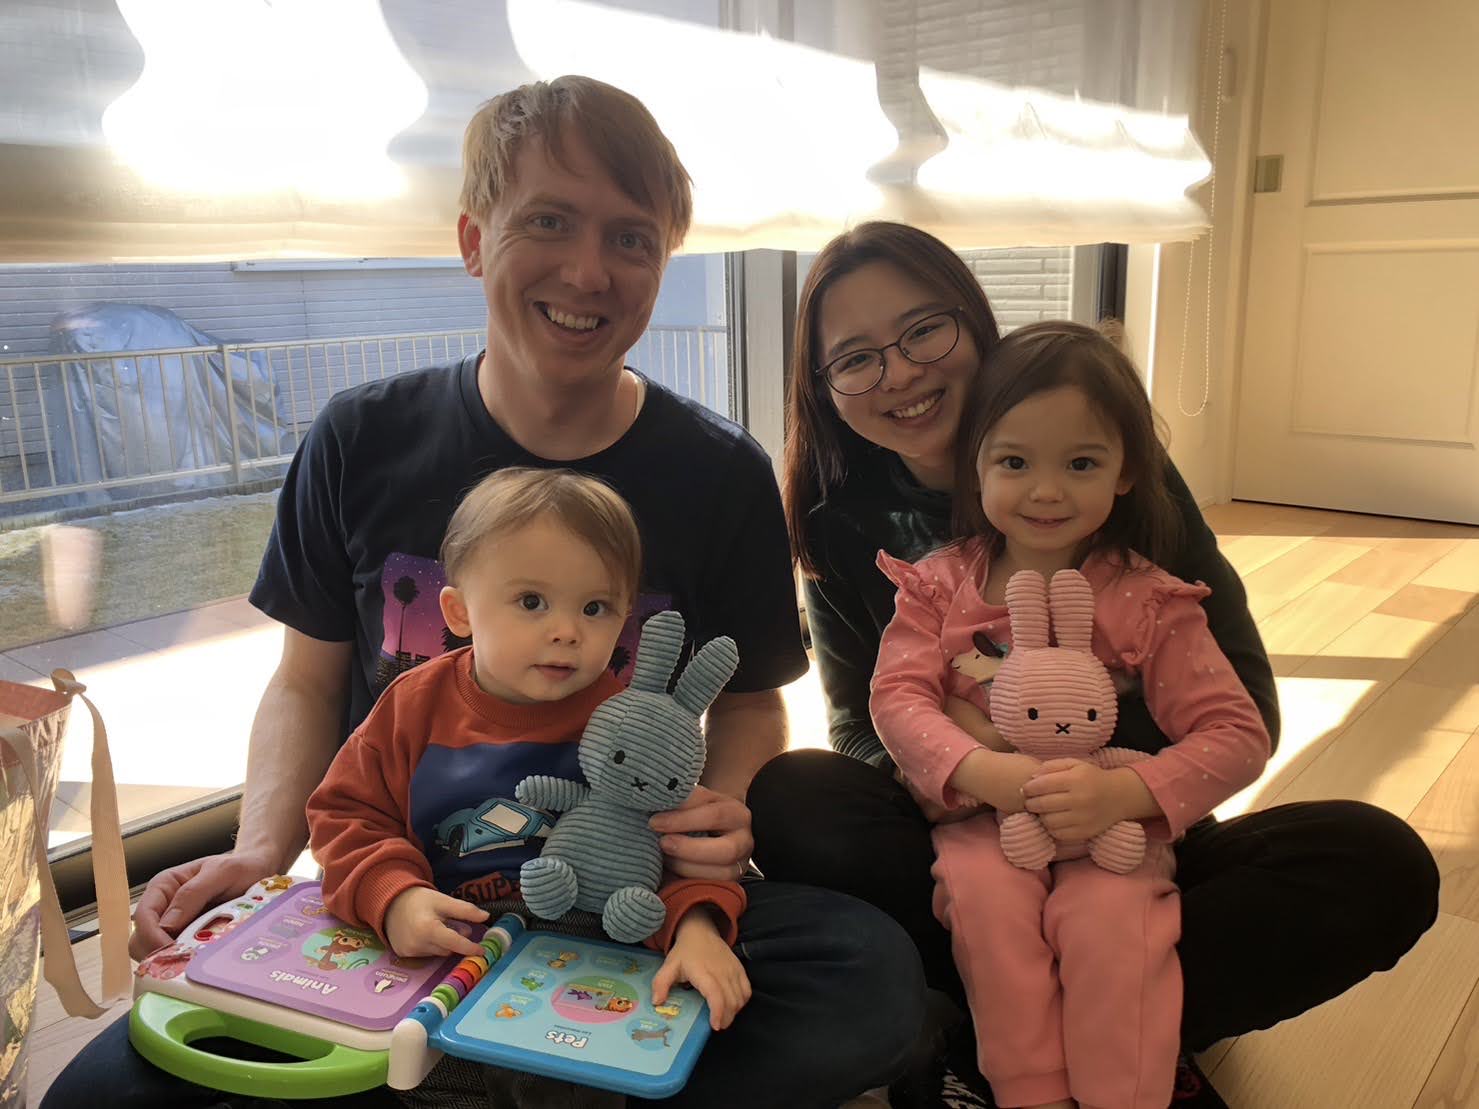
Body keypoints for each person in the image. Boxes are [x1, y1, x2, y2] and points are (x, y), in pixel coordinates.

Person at [41, 80, 923, 1109]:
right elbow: (306, 681)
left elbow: (747, 701)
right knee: (100, 1096)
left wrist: (706, 838)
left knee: (868, 980)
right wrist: (259, 851)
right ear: (473, 238)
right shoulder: (360, 436)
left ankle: (470, 1070)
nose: (588, 272)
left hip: (620, 904)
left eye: (631, 239)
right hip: (408, 903)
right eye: (548, 221)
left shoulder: (719, 471)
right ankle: (537, 1071)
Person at [747, 221, 1439, 1108]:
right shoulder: (845, 523)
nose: (900, 373)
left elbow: (1239, 710)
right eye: (855, 357)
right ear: (822, 386)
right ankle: (1035, 1033)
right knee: (795, 797)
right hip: (966, 833)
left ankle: (1085, 1037)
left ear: (975, 323)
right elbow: (859, 721)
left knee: (1375, 861)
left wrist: (1100, 785)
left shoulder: (1112, 482)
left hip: (1126, 832)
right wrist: (976, 763)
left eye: (923, 330)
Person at [868, 322, 1271, 1109]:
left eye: (1080, 463)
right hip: (985, 822)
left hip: (1112, 831)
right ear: (974, 463)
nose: (1045, 491)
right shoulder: (938, 586)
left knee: (1113, 928)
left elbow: (1236, 734)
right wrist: (986, 772)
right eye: (1014, 462)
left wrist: (1122, 793)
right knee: (987, 911)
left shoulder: (1148, 599)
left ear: (1126, 471)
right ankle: (1029, 1093)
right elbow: (895, 697)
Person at [308, 467, 750, 1107]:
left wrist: (697, 928)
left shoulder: (630, 723)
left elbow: (679, 843)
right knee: (426, 1080)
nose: (567, 630)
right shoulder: (412, 705)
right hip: (446, 946)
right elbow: (345, 815)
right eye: (532, 602)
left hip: (587, 964)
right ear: (459, 612)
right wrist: (394, 895)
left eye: (595, 608)